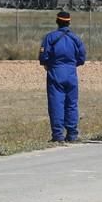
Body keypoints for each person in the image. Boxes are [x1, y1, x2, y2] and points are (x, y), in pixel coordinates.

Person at [38, 11, 86, 143]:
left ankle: (58, 135)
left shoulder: (50, 37)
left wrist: (48, 64)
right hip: (71, 73)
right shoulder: (76, 38)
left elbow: (43, 56)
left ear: (57, 22)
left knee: (56, 103)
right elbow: (82, 58)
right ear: (69, 22)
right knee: (71, 104)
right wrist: (71, 65)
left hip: (55, 72)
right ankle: (72, 134)